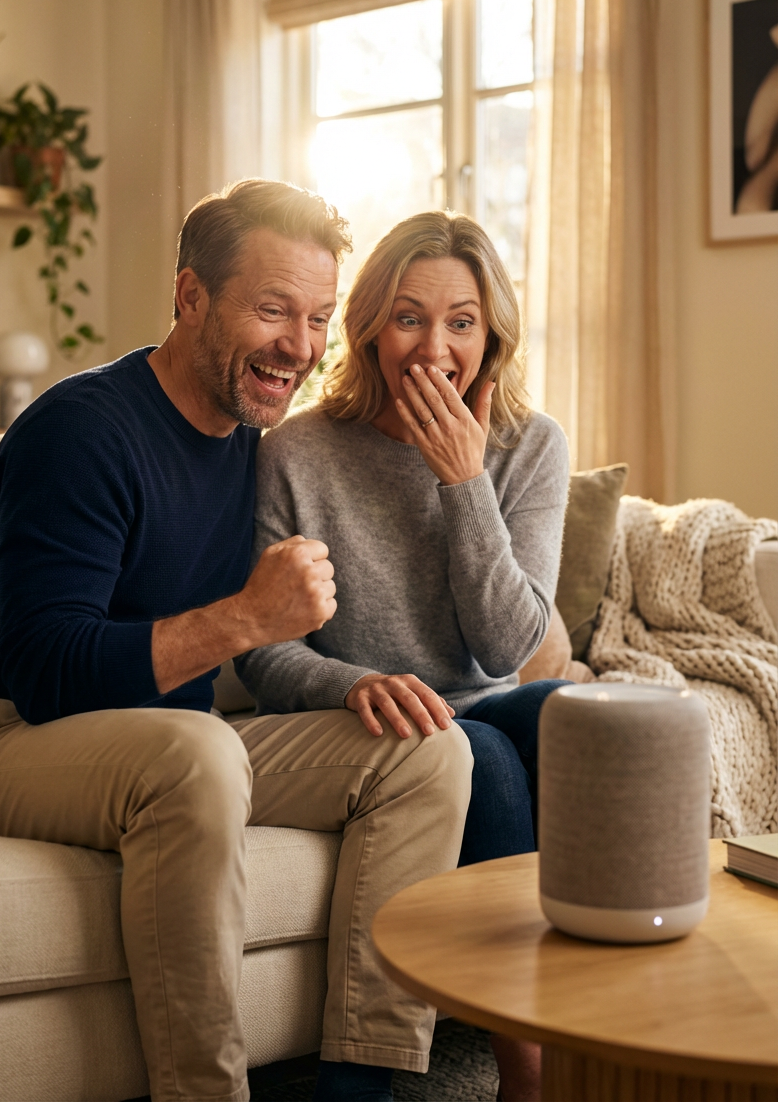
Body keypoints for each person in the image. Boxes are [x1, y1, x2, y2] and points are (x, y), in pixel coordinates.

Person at [0, 181, 475, 1102]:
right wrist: (247, 617)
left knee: (427, 749)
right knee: (198, 749)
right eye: (272, 310)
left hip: (165, 744)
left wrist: (351, 682)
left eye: (320, 319)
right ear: (190, 298)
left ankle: (365, 1086)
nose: (299, 347)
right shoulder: (83, 431)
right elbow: (48, 673)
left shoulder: (254, 445)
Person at [236, 211, 573, 1102]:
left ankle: (610, 1019)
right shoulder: (295, 453)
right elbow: (268, 657)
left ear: (490, 333)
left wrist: (463, 478)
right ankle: (528, 1070)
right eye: (410, 317)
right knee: (484, 754)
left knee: (558, 713)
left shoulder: (531, 448)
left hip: (484, 699)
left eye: (461, 321)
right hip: (373, 721)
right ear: (371, 329)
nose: (435, 346)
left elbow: (511, 646)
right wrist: (359, 686)